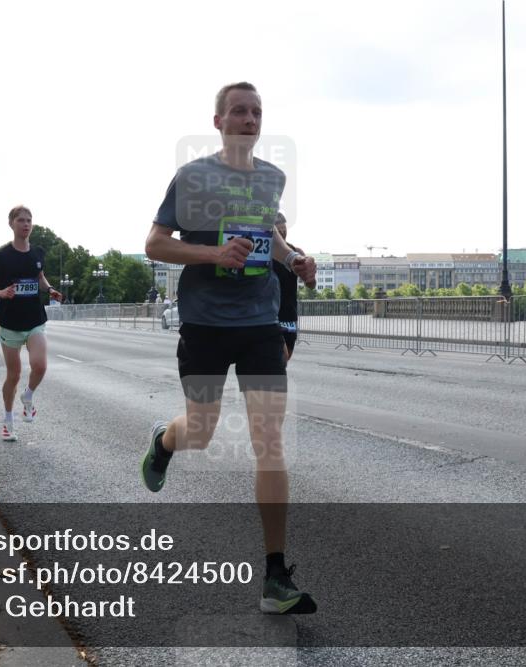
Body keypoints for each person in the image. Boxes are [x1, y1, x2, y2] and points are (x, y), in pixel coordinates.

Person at [142, 82, 318, 615]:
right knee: (201, 430)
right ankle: (164, 442)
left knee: (270, 440)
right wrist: (214, 252)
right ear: (217, 121)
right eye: (238, 111)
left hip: (260, 321)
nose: (249, 119)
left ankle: (275, 576)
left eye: (256, 112)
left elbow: (270, 235)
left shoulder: (272, 177)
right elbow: (154, 243)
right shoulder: (192, 176)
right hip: (205, 322)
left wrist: (295, 262)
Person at [0, 205, 64, 442]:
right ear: (11, 224)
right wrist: (1, 293)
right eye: (21, 220)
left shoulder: (37, 253)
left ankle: (28, 397)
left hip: (34, 320)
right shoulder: (1, 256)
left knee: (40, 365)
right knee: (14, 374)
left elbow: (39, 279)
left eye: (29, 220)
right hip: (10, 322)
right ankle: (8, 421)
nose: (26, 224)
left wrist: (49, 289)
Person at [273, 213, 303, 363]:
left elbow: (311, 284)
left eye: (284, 230)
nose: (283, 233)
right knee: (276, 358)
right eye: (279, 231)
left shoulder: (296, 252)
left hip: (289, 314)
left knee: (286, 357)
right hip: (270, 313)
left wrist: (309, 273)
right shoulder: (266, 253)